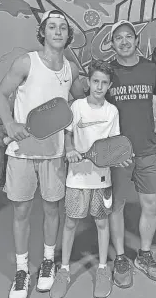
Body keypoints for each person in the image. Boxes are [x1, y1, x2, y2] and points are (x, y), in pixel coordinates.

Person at [0, 9, 85, 298]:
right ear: (43, 32)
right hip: (22, 153)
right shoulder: (26, 62)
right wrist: (9, 123)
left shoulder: (70, 69)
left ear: (67, 35)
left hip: (54, 153)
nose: (58, 32)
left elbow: (77, 105)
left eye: (62, 28)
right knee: (21, 211)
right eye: (52, 27)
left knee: (51, 210)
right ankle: (22, 271)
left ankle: (47, 262)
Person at [50, 59, 120, 298]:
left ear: (109, 86)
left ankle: (102, 269)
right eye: (96, 81)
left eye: (104, 83)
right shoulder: (77, 106)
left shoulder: (112, 111)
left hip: (102, 180)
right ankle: (64, 270)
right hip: (76, 180)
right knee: (70, 223)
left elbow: (113, 146)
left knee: (102, 223)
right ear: (88, 83)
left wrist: (113, 158)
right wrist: (70, 149)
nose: (99, 86)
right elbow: (68, 135)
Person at [107, 20, 156, 288]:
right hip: (118, 153)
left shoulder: (151, 70)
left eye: (129, 36)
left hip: (148, 150)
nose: (124, 41)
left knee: (150, 205)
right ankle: (121, 258)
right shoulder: (106, 72)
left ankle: (145, 255)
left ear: (136, 41)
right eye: (118, 38)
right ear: (112, 44)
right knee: (117, 207)